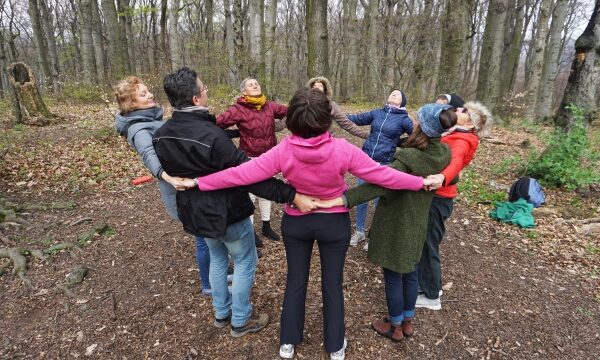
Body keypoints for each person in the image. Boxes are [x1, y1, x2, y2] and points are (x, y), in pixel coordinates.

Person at [178, 88, 436, 360]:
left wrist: (198, 182)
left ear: (293, 121)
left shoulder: (284, 150)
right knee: (332, 285)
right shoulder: (342, 149)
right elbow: (384, 176)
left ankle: (288, 342)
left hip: (297, 225)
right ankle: (335, 346)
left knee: (295, 281)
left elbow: (240, 174)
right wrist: (421, 182)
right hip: (333, 225)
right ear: (327, 120)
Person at [152, 67, 315, 338]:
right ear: (195, 99)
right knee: (244, 261)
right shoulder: (211, 135)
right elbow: (249, 176)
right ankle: (240, 320)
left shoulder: (162, 133)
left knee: (217, 258)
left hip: (194, 213)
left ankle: (221, 313)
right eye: (204, 90)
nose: (207, 93)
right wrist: (290, 194)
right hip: (225, 211)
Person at [315, 103, 456, 342]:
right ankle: (408, 320)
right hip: (418, 221)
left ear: (421, 125)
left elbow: (380, 184)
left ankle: (395, 325)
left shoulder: (408, 158)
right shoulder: (443, 154)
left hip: (395, 223)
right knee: (410, 271)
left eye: (417, 119)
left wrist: (345, 198)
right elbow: (454, 176)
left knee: (392, 275)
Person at [113, 76, 213, 296]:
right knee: (204, 237)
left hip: (186, 186)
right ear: (131, 104)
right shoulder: (138, 129)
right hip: (178, 191)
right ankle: (208, 284)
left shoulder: (152, 119)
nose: (150, 95)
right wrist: (168, 177)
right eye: (143, 94)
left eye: (148, 91)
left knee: (207, 235)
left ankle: (216, 275)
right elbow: (148, 154)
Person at [416, 101, 493, 311]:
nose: (458, 109)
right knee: (427, 241)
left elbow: (455, 163)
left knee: (428, 244)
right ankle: (431, 286)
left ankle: (431, 296)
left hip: (439, 197)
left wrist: (442, 177)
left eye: (465, 111)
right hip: (439, 196)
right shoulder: (456, 133)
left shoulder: (462, 139)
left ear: (472, 124)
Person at [216, 78, 287, 243]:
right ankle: (251, 231)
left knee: (267, 192)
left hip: (269, 157)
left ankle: (266, 226)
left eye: (257, 84)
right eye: (250, 84)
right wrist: (235, 134)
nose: (255, 85)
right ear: (244, 92)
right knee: (250, 194)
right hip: (249, 158)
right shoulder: (238, 109)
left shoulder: (269, 105)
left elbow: (290, 111)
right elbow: (217, 124)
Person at [346, 90, 414, 249]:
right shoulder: (378, 113)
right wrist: (336, 114)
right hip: (366, 161)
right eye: (392, 93)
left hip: (384, 163)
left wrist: (398, 143)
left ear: (402, 101)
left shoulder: (404, 120)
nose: (393, 94)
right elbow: (358, 119)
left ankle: (374, 236)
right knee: (362, 196)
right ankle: (360, 231)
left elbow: (415, 136)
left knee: (379, 201)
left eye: (397, 94)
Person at [275, 77, 369, 139]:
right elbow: (285, 122)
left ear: (325, 89)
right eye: (314, 86)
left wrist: (367, 135)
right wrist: (264, 127)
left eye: (320, 86)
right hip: (303, 144)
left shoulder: (331, 106)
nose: (317, 88)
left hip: (325, 144)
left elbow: (346, 123)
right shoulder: (302, 103)